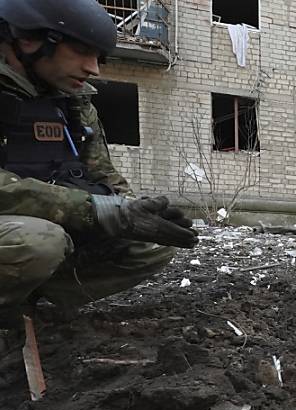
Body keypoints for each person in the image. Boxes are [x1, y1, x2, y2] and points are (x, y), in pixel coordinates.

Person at [0, 0, 198, 355]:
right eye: (80, 51)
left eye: (98, 56)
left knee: (149, 244)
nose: (92, 68)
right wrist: (97, 211)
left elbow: (100, 171)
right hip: (28, 233)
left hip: (48, 229)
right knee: (38, 243)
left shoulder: (72, 102)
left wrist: (134, 211)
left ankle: (27, 303)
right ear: (30, 40)